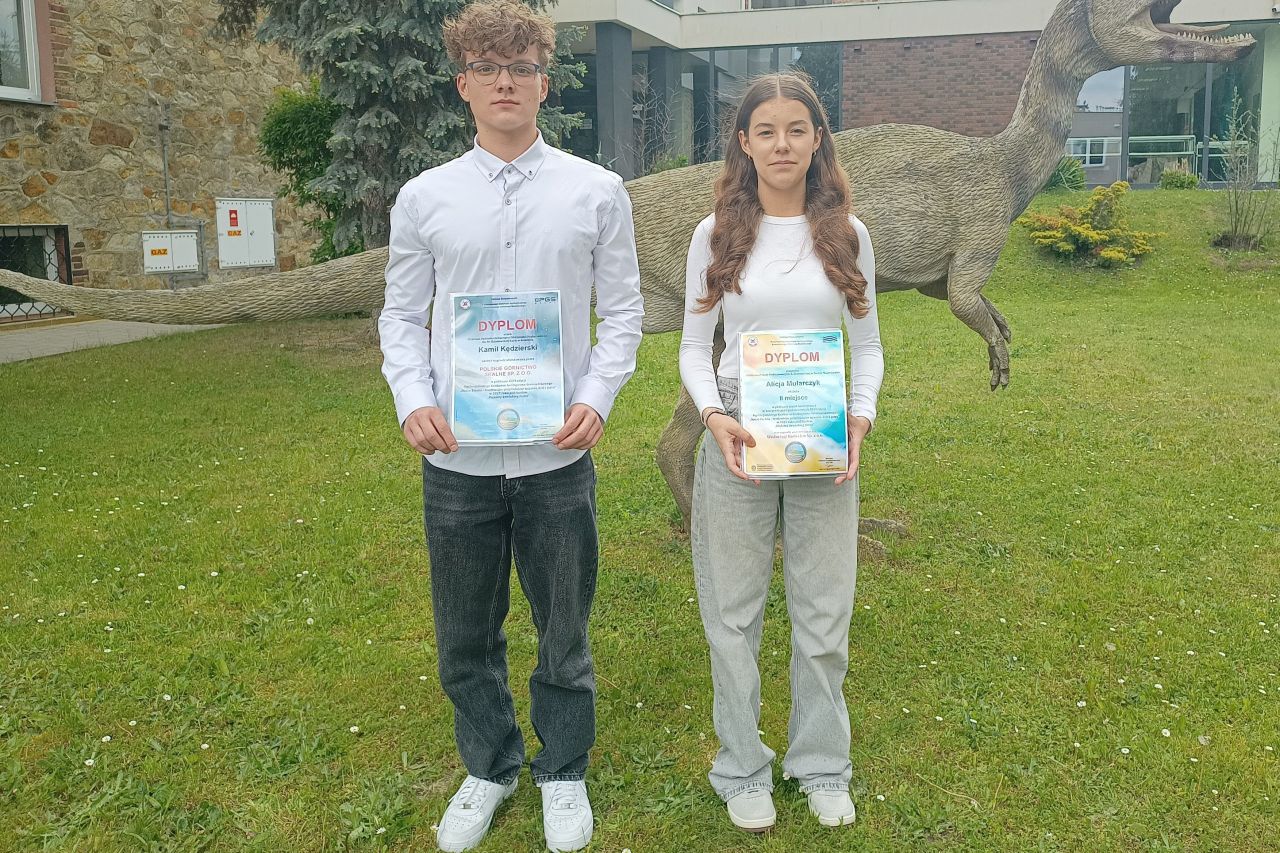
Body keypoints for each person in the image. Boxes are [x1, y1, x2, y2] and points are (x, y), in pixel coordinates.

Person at [378, 2, 644, 850]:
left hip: (555, 455)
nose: (505, 81)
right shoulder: (425, 198)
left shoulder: (595, 191)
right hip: (457, 458)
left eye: (521, 67)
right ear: (463, 84)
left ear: (543, 83)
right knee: (465, 632)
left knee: (564, 628)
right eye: (488, 67)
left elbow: (625, 312)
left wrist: (596, 396)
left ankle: (563, 769)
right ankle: (490, 765)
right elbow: (400, 315)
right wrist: (411, 395)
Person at [679, 72, 884, 833]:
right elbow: (695, 347)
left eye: (797, 129)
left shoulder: (848, 234)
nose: (782, 145)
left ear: (818, 138)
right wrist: (712, 415)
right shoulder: (715, 234)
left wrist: (859, 416)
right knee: (732, 613)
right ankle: (741, 766)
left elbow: (867, 344)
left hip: (824, 435)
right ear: (744, 142)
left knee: (824, 610)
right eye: (765, 131)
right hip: (739, 431)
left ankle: (821, 762)